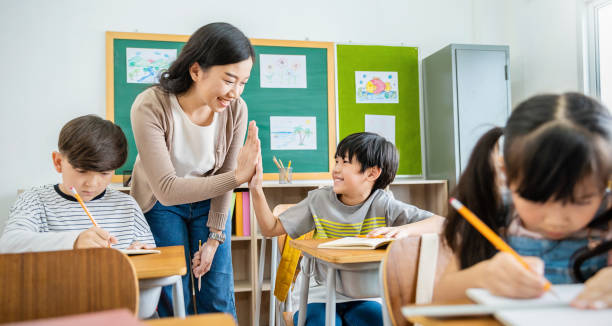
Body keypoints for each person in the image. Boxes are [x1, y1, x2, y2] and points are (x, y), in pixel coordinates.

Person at [217, 132, 444, 325]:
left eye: (345, 163)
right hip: (319, 292)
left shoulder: (384, 204)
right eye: (336, 161)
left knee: (379, 320)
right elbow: (270, 228)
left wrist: (403, 231)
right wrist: (256, 189)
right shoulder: (319, 200)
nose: (335, 168)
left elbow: (442, 223)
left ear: (372, 173)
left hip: (367, 293)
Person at [434, 93, 612, 310]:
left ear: (606, 182)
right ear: (506, 174)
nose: (555, 220)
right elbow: (440, 298)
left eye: (581, 201)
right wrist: (483, 276)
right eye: (535, 198)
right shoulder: (495, 212)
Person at [129, 22, 260, 317]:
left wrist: (215, 237)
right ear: (196, 70)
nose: (235, 92)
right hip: (161, 203)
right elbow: (167, 189)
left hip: (209, 201)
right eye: (229, 80)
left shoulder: (237, 110)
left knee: (217, 295)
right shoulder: (150, 106)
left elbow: (226, 174)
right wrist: (237, 177)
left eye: (243, 82)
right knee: (173, 291)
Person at [0, 114, 155, 253]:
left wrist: (141, 251)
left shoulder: (127, 205)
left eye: (104, 173)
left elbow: (152, 258)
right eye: (81, 171)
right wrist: (74, 241)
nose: (92, 184)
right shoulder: (35, 200)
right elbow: (8, 244)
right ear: (58, 161)